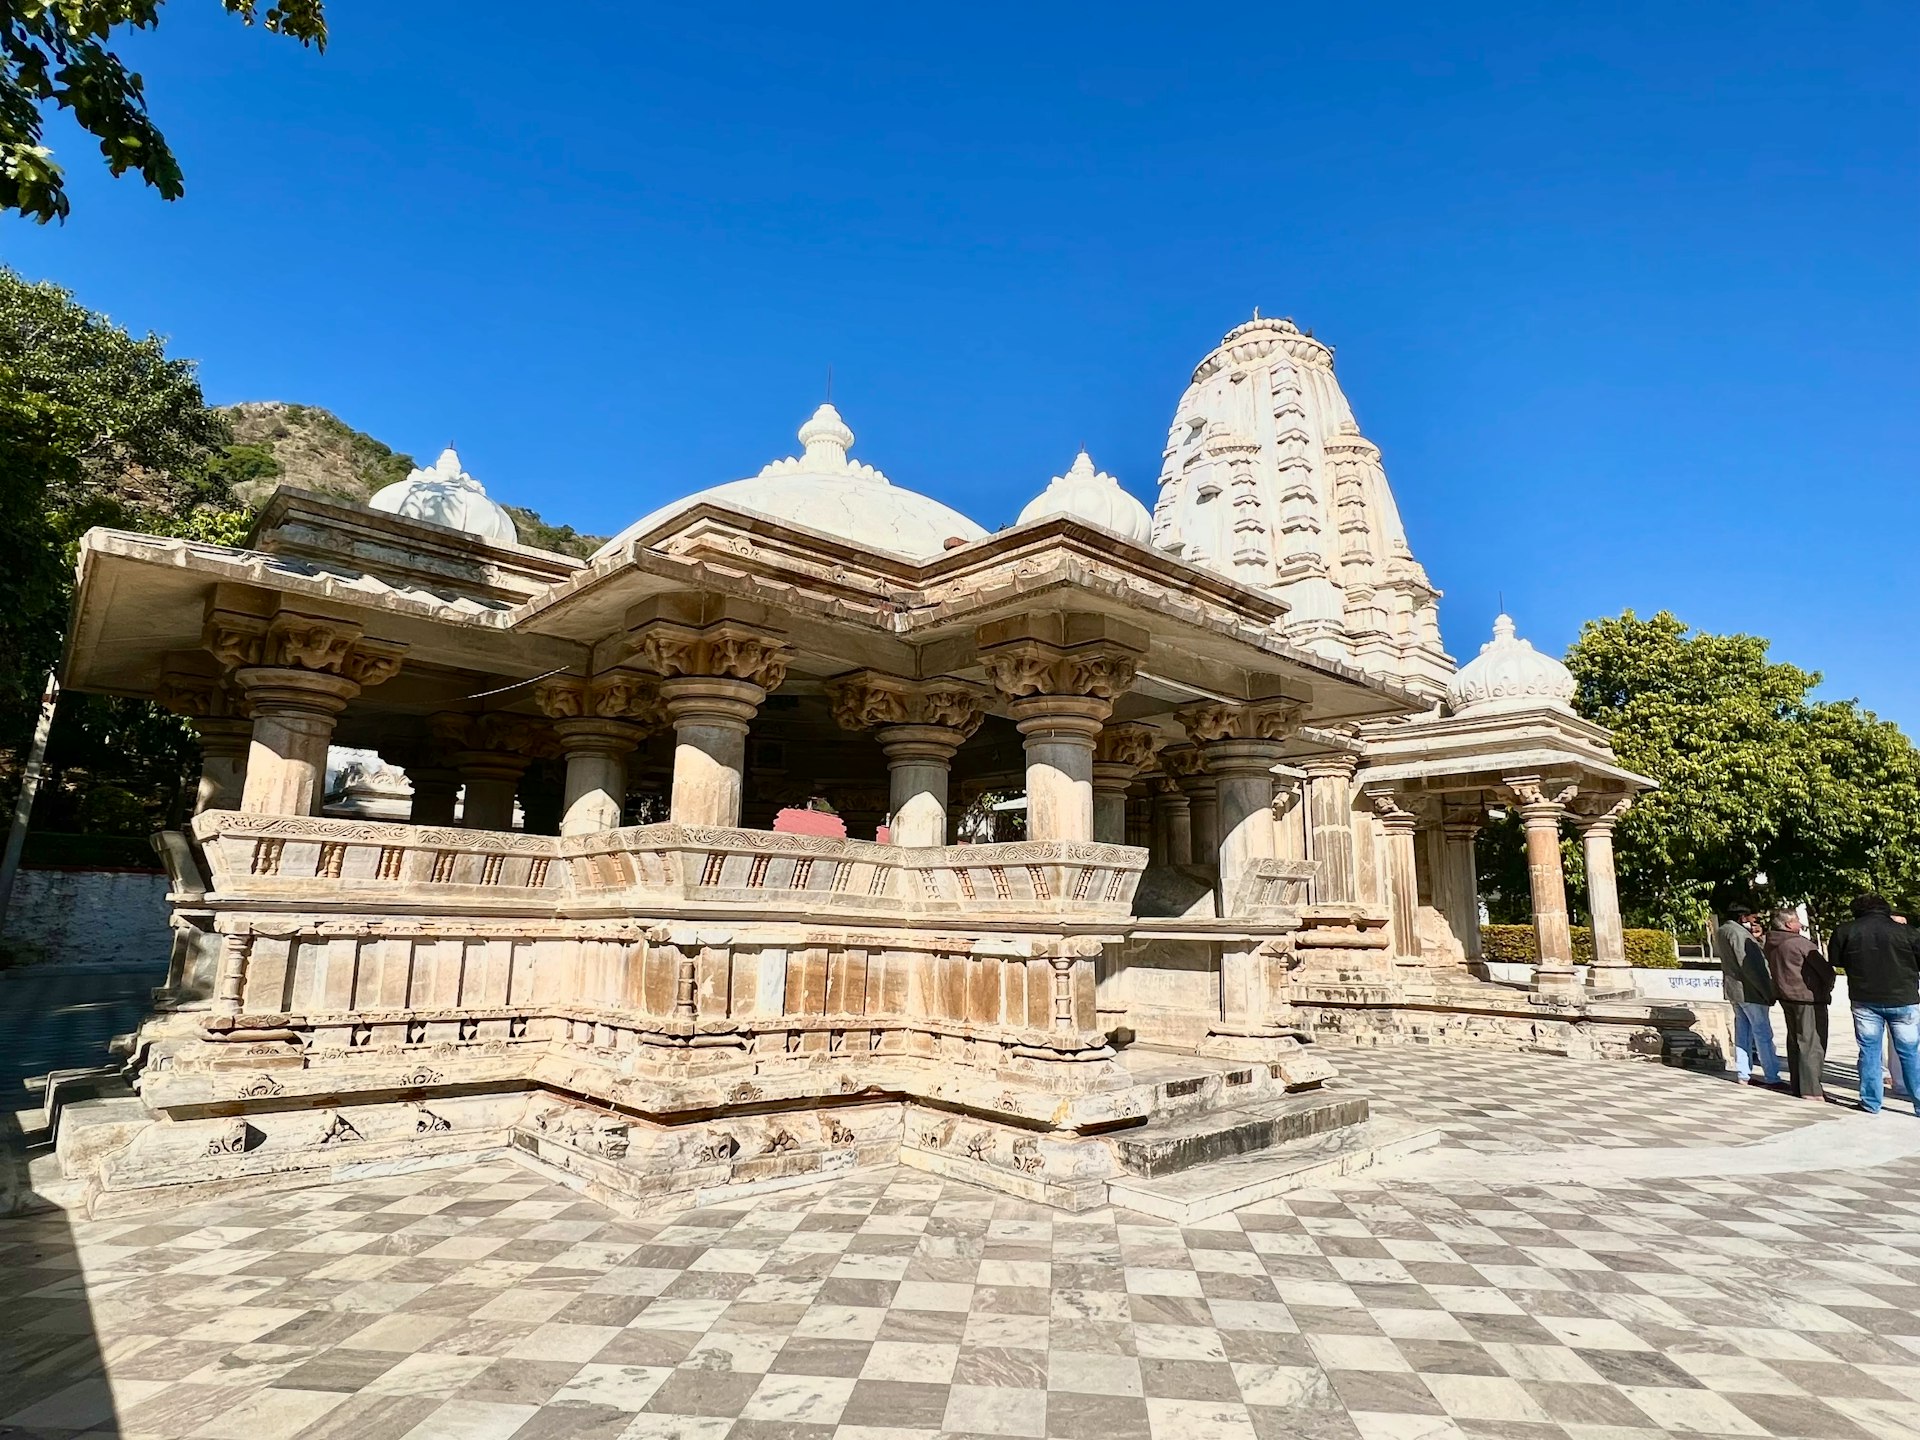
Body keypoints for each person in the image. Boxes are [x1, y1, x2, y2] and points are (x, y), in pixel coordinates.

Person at [1829, 895, 1920, 1114]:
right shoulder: (1906, 932)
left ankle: (1871, 1102)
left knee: (1869, 1051)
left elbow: (1836, 961)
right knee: (1910, 1052)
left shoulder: (1845, 930)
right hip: (1903, 998)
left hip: (1865, 998)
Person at [1764, 909, 1832, 1102]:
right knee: (1812, 1043)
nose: (1800, 924)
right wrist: (1826, 988)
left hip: (1786, 996)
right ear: (1787, 925)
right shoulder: (1800, 943)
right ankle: (1811, 1089)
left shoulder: (1771, 942)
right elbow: (1825, 971)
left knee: (1795, 1041)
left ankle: (1798, 1085)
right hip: (1808, 998)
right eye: (1797, 921)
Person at [1713, 904, 1782, 1087]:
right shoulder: (1738, 934)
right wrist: (1766, 990)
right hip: (1749, 990)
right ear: (1743, 917)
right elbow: (1749, 966)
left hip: (1735, 989)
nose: (1755, 922)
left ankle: (1743, 1073)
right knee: (1762, 1033)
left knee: (1743, 1032)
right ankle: (1772, 1075)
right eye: (1753, 918)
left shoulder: (1723, 930)